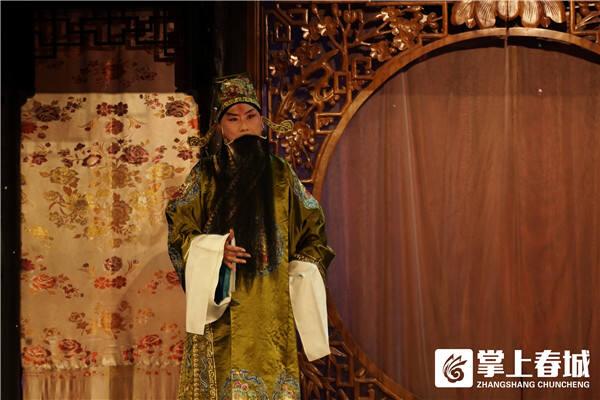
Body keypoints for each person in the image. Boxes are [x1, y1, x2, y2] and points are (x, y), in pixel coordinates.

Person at [166, 73, 335, 400]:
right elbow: (179, 230)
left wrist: (298, 274)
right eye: (232, 118)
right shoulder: (204, 176)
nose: (243, 125)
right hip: (221, 311)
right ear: (220, 128)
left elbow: (314, 232)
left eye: (251, 116)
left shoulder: (283, 175)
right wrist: (215, 253)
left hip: (272, 311)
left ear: (262, 123)